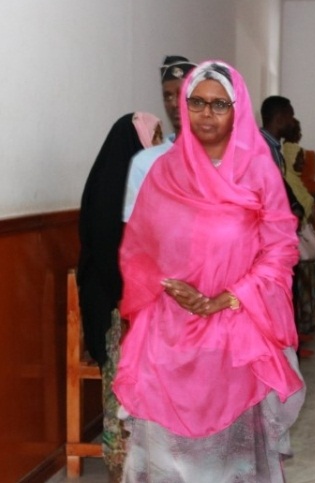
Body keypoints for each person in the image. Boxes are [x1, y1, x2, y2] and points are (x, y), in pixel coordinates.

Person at [114, 60, 305, 481]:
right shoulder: (164, 171)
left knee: (227, 461)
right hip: (169, 330)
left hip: (234, 330)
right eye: (197, 102)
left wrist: (224, 298)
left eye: (219, 104)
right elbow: (140, 249)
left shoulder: (257, 171)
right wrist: (170, 287)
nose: (206, 113)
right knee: (169, 458)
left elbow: (280, 249)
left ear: (238, 110)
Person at [77, 112, 161, 481]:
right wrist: (128, 298)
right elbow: (108, 250)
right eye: (153, 137)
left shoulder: (134, 178)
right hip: (112, 303)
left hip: (132, 299)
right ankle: (119, 464)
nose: (156, 145)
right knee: (121, 381)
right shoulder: (115, 184)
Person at [123, 55, 195, 222]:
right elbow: (134, 224)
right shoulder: (145, 162)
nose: (174, 104)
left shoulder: (220, 157)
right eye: (168, 96)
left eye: (182, 95)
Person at [282, 118, 315, 335]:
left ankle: (305, 319)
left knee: (305, 282)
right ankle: (302, 322)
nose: (302, 163)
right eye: (299, 159)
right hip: (296, 242)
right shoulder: (289, 183)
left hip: (302, 238)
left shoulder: (297, 183)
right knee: (302, 283)